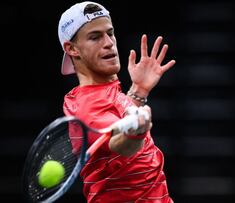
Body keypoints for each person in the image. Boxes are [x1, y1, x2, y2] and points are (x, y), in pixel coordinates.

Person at [58, 1, 176, 202]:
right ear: (72, 49)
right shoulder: (85, 105)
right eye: (95, 37)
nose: (109, 43)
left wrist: (139, 91)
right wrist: (135, 134)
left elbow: (115, 126)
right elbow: (119, 144)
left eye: (110, 33)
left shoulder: (104, 90)